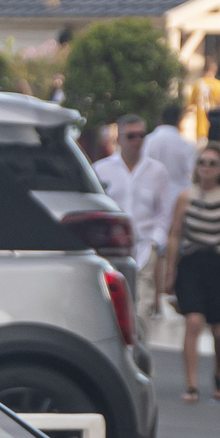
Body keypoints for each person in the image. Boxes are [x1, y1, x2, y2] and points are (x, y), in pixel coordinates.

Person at [158, 144, 220, 404]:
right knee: (193, 321)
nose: (206, 168)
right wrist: (170, 271)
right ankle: (192, 383)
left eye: (212, 164)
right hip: (192, 264)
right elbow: (174, 235)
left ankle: (219, 373)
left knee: (219, 330)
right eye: (202, 163)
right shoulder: (185, 197)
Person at [94, 114, 176, 320]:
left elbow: (165, 211)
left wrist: (156, 241)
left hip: (144, 250)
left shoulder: (157, 172)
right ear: (119, 138)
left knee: (140, 312)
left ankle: (140, 350)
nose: (137, 141)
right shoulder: (101, 170)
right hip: (111, 251)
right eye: (131, 136)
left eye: (141, 135)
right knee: (110, 312)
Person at [141, 104, 194, 197]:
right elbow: (191, 172)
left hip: (149, 192)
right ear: (179, 120)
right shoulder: (186, 145)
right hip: (176, 195)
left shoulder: (147, 141)